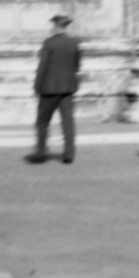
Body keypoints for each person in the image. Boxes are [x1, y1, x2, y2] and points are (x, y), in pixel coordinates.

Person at [28, 13, 80, 164]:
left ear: (56, 26)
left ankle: (41, 152)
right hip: (68, 87)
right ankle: (69, 154)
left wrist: (37, 87)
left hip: (49, 88)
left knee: (42, 122)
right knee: (67, 122)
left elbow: (42, 67)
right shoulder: (74, 43)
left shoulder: (49, 43)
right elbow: (77, 65)